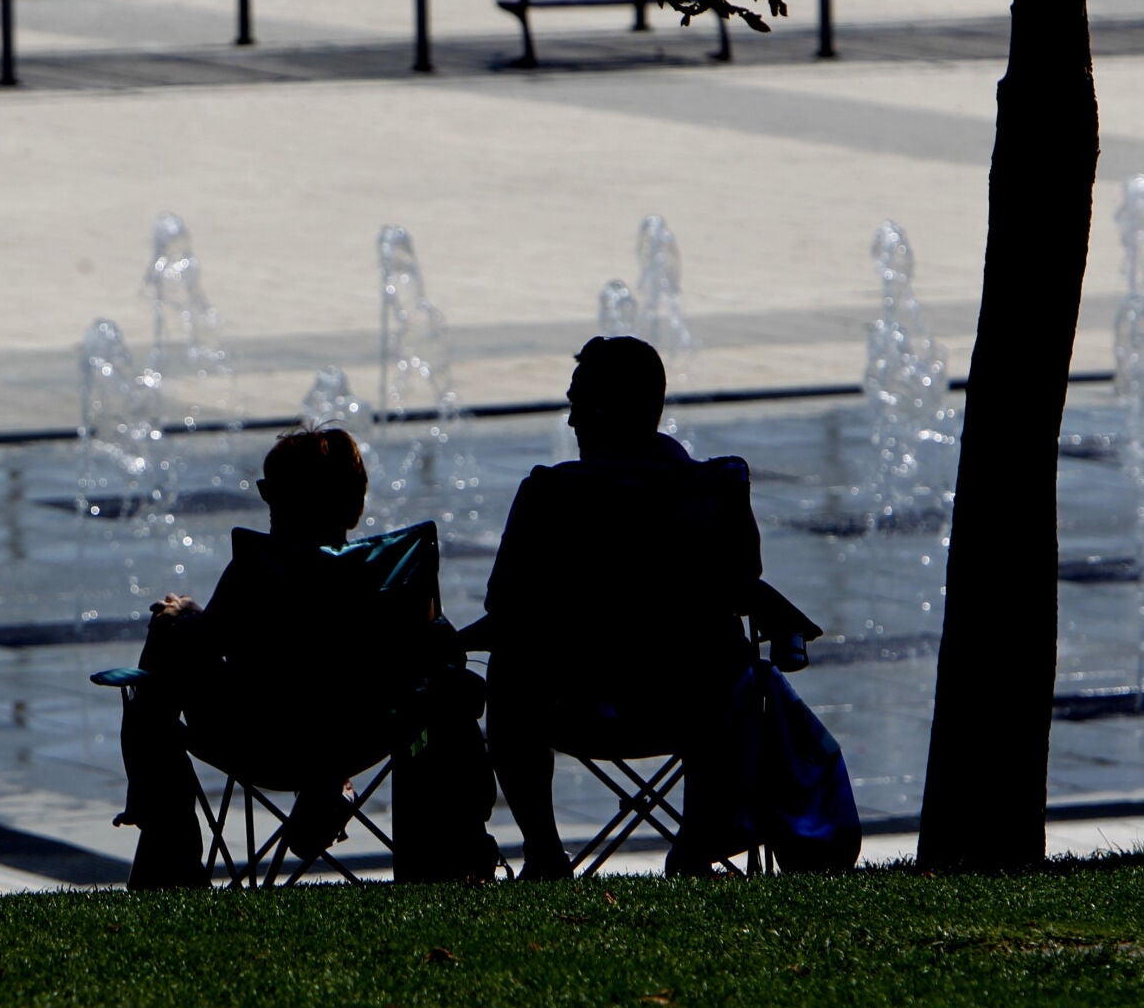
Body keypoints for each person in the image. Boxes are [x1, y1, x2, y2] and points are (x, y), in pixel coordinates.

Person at [114, 427, 498, 889]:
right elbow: (438, 650)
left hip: (262, 741)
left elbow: (208, 644)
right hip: (360, 738)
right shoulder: (394, 572)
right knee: (437, 689)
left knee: (168, 635)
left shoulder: (258, 568)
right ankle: (332, 789)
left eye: (271, 489)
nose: (266, 502)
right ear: (352, 504)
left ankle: (166, 843)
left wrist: (189, 616)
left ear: (289, 498)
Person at [470, 335, 793, 879]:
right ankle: (695, 849)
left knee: (508, 666)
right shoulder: (715, 488)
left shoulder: (550, 495)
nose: (570, 420)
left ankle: (545, 854)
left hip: (570, 707)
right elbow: (742, 588)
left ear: (602, 409)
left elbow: (507, 614)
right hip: (691, 709)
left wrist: (447, 642)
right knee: (732, 661)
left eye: (577, 402)